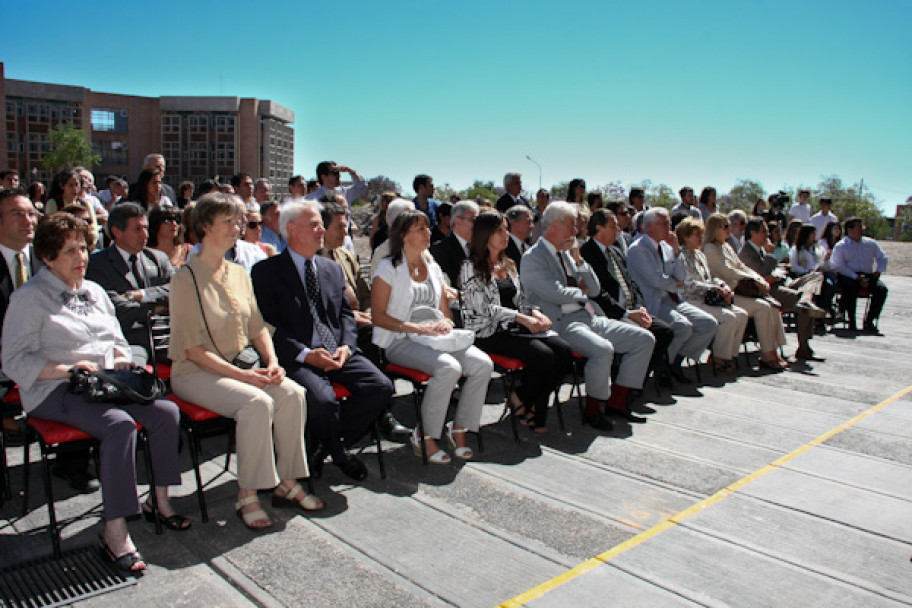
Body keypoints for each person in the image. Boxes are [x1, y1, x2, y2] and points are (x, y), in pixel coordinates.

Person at [2, 212, 186, 572]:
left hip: (104, 385)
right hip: (52, 388)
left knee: (166, 413)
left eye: (84, 248)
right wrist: (69, 368)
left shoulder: (95, 291)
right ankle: (115, 532)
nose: (82, 257)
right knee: (119, 425)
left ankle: (159, 502)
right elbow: (14, 359)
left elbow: (117, 341)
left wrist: (121, 360)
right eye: (70, 251)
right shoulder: (29, 298)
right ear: (48, 257)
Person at [169, 193, 322, 530]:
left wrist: (271, 362)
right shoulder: (185, 279)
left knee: (293, 393)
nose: (237, 227)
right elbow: (193, 351)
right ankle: (248, 494)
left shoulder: (239, 273)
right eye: (229, 221)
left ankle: (287, 481)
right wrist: (245, 377)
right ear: (205, 226)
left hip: (242, 366)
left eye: (238, 220)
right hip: (195, 372)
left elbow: (257, 327)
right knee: (255, 403)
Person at [252, 201, 392, 481]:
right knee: (324, 401)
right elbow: (270, 327)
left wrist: (346, 347)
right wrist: (306, 355)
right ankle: (339, 453)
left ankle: (324, 447)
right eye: (314, 225)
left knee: (380, 387)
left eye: (321, 225)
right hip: (298, 355)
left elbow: (344, 315)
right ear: (291, 228)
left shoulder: (330, 268)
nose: (321, 230)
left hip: (336, 351)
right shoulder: (266, 272)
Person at [371, 211, 493, 463]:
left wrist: (444, 323)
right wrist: (418, 329)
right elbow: (379, 317)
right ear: (403, 235)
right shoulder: (389, 268)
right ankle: (425, 435)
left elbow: (444, 311)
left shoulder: (433, 267)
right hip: (400, 339)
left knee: (483, 364)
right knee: (449, 368)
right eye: (420, 229)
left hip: (435, 338)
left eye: (428, 228)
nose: (428, 233)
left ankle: (459, 427)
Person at [520, 202, 655, 430]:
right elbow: (555, 293)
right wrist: (580, 292)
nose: (576, 232)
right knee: (602, 349)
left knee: (644, 339)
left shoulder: (568, 255)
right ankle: (594, 409)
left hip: (589, 318)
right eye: (572, 226)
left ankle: (617, 402)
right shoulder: (533, 257)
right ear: (555, 225)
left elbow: (594, 289)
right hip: (562, 324)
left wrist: (580, 263)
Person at [460, 212, 571, 432]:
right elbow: (482, 307)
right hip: (488, 333)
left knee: (564, 351)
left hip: (514, 329)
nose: (506, 234)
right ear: (485, 234)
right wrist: (521, 317)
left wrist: (536, 313)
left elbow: (521, 300)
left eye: (506, 229)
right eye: (500, 230)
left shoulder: (508, 264)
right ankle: (532, 408)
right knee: (544, 356)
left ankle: (523, 398)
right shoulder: (469, 266)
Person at [581, 209, 675, 390]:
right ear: (599, 228)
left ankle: (633, 380)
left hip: (632, 310)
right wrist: (626, 313)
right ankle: (624, 387)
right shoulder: (588, 253)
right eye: (613, 225)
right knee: (645, 337)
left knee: (665, 331)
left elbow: (631, 282)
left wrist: (640, 306)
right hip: (612, 313)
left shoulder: (615, 251)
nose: (618, 229)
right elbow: (598, 294)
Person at [627, 208, 718, 383]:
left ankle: (674, 361)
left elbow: (681, 275)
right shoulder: (638, 249)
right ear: (651, 225)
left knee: (708, 324)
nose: (669, 227)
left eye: (669, 222)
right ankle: (663, 366)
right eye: (665, 223)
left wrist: (676, 251)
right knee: (682, 326)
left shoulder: (667, 248)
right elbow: (656, 280)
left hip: (673, 299)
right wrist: (673, 282)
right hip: (652, 302)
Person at [86, 203, 175, 362]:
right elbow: (115, 307)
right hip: (127, 340)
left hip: (164, 334)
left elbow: (177, 289)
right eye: (137, 229)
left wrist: (141, 295)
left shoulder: (157, 258)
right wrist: (159, 307)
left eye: (146, 228)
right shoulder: (97, 264)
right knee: (133, 373)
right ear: (117, 232)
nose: (145, 234)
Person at [702, 213, 789, 370]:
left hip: (737, 292)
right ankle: (767, 354)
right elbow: (727, 271)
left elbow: (741, 266)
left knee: (773, 306)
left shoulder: (726, 246)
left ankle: (773, 350)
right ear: (715, 229)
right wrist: (756, 280)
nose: (730, 229)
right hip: (725, 294)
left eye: (730, 225)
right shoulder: (710, 248)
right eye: (726, 226)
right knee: (763, 307)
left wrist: (758, 278)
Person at [739, 217, 825, 361]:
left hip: (779, 281)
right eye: (764, 231)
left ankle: (806, 299)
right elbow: (761, 274)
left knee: (815, 276)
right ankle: (804, 347)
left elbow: (770, 269)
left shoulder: (760, 249)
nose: (767, 234)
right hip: (766, 290)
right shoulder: (747, 252)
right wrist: (771, 255)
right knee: (802, 303)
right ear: (753, 233)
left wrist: (778, 270)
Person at [675, 217, 748, 373]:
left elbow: (710, 277)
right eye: (696, 234)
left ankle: (729, 355)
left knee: (741, 314)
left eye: (701, 234)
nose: (700, 237)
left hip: (707, 299)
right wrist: (714, 289)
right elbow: (688, 284)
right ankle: (719, 358)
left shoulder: (700, 255)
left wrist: (723, 286)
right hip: (692, 300)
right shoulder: (681, 256)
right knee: (728, 318)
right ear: (686, 236)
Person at [831, 217, 888, 333]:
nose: (862, 230)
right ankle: (851, 320)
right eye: (859, 228)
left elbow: (882, 258)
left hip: (868, 274)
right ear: (850, 230)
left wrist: (878, 271)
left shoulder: (870, 243)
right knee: (849, 288)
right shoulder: (841, 246)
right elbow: (839, 266)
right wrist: (856, 277)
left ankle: (869, 320)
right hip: (848, 275)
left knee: (882, 289)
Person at [430, 200, 480, 287]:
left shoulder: (480, 247)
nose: (478, 225)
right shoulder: (440, 250)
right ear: (458, 221)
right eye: (474, 220)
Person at [46, 169, 101, 239]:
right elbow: (50, 228)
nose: (75, 189)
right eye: (71, 185)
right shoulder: (53, 203)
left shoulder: (86, 205)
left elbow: (94, 228)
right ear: (62, 186)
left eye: (77, 184)